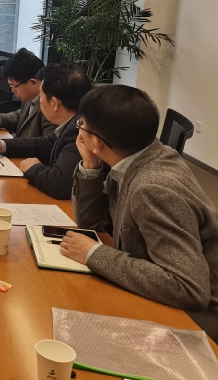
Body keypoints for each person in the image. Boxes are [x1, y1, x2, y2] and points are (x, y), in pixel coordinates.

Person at [62, 85, 218, 340]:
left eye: (81, 124)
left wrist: (93, 253)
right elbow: (91, 221)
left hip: (196, 319)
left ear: (97, 142)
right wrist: (91, 166)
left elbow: (189, 288)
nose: (78, 129)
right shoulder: (138, 155)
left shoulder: (152, 188)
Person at [0, 62, 92, 199]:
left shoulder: (80, 132)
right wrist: (1, 145)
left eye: (41, 96)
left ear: (54, 103)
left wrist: (34, 167)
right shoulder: (74, 122)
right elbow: (44, 144)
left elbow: (59, 183)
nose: (39, 101)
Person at [0, 48, 57, 138]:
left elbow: (46, 144)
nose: (12, 90)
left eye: (14, 86)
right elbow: (20, 115)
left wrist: (4, 144)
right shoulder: (30, 97)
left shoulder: (51, 108)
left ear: (33, 83)